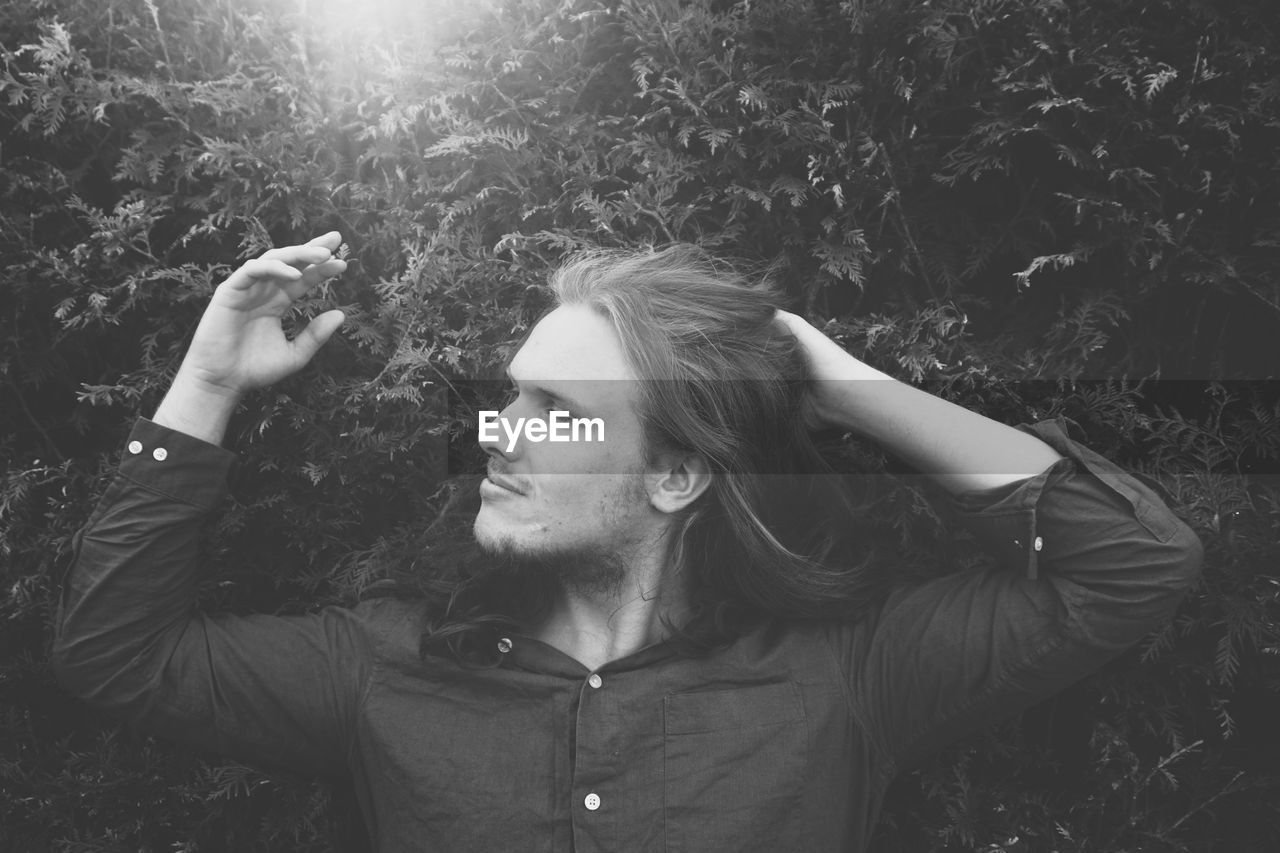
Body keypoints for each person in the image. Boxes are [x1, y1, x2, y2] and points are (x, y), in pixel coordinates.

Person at [53, 231, 1204, 852]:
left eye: (557, 411)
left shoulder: (843, 680)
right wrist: (207, 381)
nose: (499, 434)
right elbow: (116, 655)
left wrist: (835, 380)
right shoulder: (383, 668)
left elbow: (1130, 562)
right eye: (509, 398)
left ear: (673, 475)